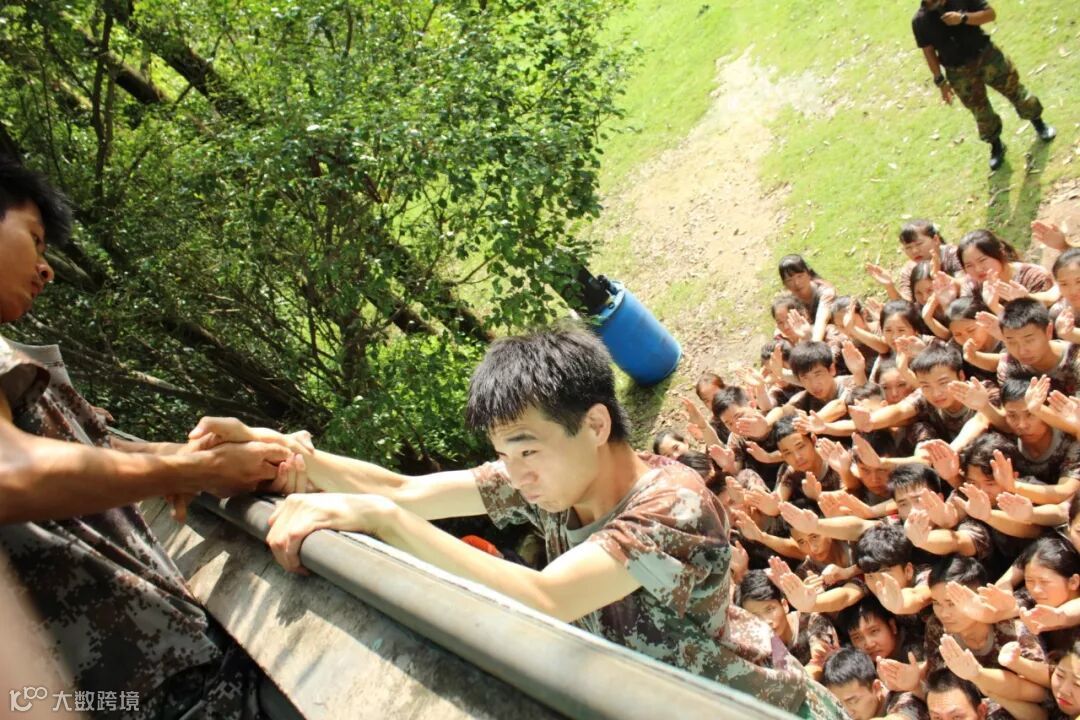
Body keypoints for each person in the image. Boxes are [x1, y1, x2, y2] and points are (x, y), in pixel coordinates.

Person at [258, 323, 846, 718]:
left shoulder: (673, 505)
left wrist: (383, 521)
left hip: (761, 707)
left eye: (526, 450)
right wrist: (290, 454)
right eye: (504, 455)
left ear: (595, 425)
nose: (516, 473)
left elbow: (548, 598)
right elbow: (405, 490)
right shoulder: (553, 481)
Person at [0, 159, 304, 717]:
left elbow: (92, 454)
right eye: (35, 240)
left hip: (163, 672)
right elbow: (9, 470)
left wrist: (199, 456)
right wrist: (195, 470)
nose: (47, 269)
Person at [911, 0, 1055, 171]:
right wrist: (940, 81)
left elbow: (990, 14)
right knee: (980, 110)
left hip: (987, 57)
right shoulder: (920, 21)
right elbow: (928, 51)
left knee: (1014, 90)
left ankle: (1038, 123)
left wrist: (963, 18)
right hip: (958, 71)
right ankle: (996, 146)